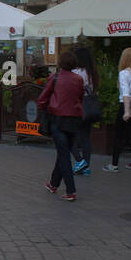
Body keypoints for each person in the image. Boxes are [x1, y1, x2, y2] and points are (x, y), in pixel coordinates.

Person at [38, 49, 84, 201]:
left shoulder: (55, 77)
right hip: (74, 119)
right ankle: (53, 184)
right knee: (63, 152)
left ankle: (71, 190)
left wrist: (45, 109)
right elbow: (80, 98)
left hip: (57, 119)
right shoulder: (78, 79)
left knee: (63, 154)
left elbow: (42, 99)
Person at [104, 47, 131, 171]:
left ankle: (114, 164)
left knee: (118, 136)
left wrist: (126, 111)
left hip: (125, 105)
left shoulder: (124, 73)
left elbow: (125, 93)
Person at [71, 46, 99, 177]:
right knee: (85, 138)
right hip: (89, 109)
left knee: (69, 137)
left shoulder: (76, 72)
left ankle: (79, 161)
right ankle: (86, 166)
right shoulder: (92, 72)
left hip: (77, 108)